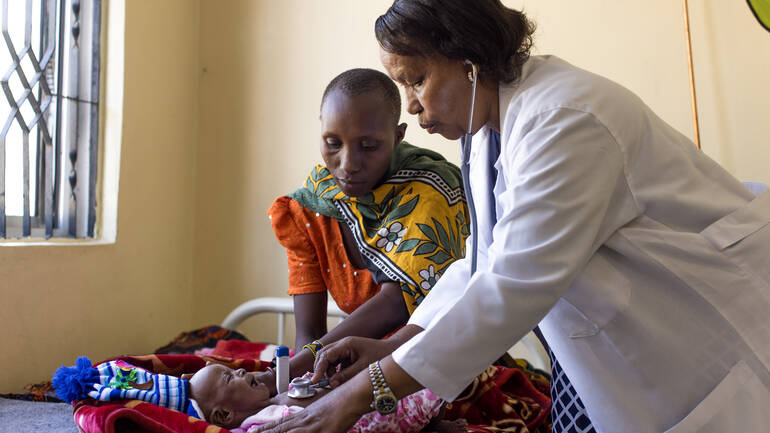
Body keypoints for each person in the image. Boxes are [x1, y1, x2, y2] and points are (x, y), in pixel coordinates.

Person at [253, 1, 770, 432]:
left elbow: (512, 286)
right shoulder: (488, 131)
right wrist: (394, 344)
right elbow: (481, 264)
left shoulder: (566, 118)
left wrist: (358, 396)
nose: (410, 105)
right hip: (621, 354)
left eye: (417, 80)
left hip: (705, 335)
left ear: (470, 60)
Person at [260, 68, 469, 389]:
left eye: (369, 146)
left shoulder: (430, 191)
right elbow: (309, 335)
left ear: (397, 137)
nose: (348, 164)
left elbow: (398, 301)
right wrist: (294, 384)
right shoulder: (310, 207)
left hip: (438, 368)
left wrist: (293, 368)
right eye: (333, 143)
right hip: (353, 366)